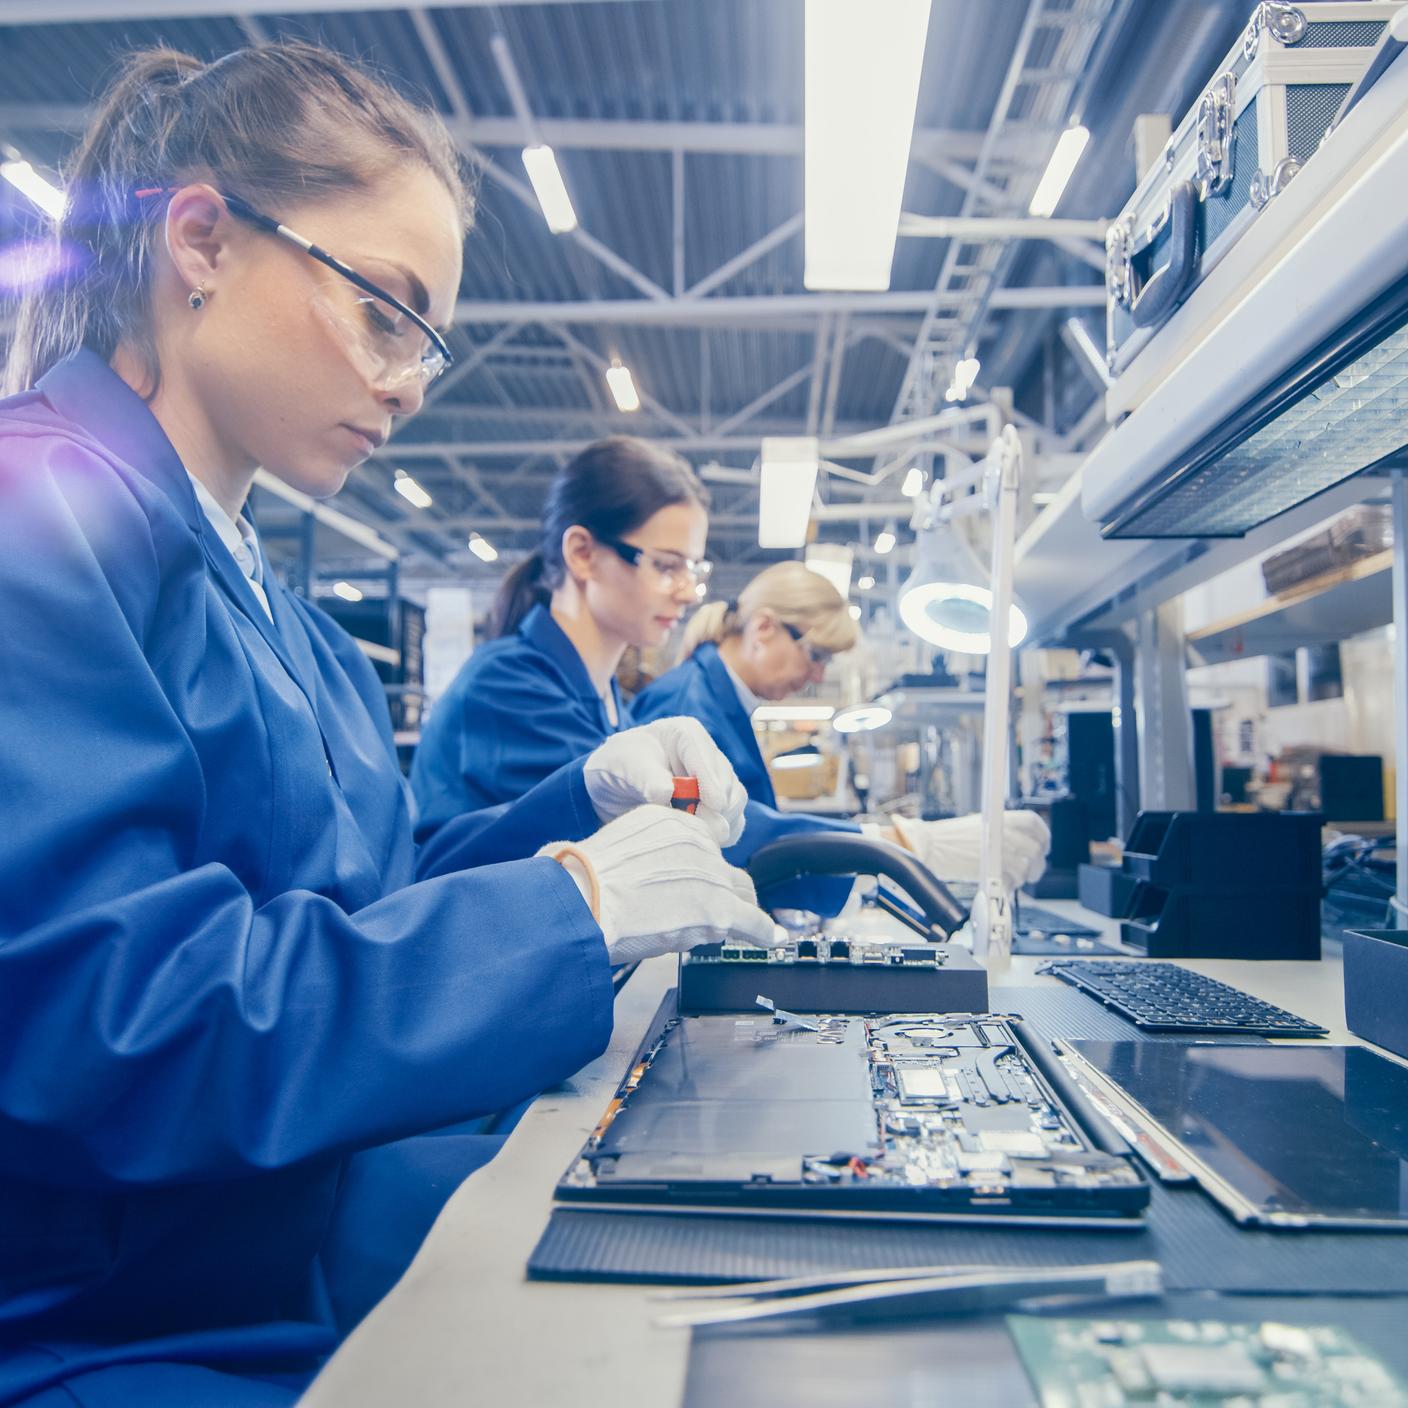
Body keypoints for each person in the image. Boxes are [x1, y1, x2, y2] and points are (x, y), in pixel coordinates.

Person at [0, 44, 773, 1408]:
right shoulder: (36, 520)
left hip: (275, 1244)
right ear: (202, 241)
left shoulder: (276, 606)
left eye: (428, 338)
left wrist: (579, 811)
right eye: (384, 311)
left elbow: (372, 899)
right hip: (108, 1325)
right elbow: (109, 1022)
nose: (412, 383)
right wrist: (566, 912)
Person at [634, 563, 1052, 890]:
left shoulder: (716, 698)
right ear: (764, 628)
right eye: (816, 654)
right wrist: (895, 845)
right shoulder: (688, 706)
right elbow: (723, 839)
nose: (818, 675)